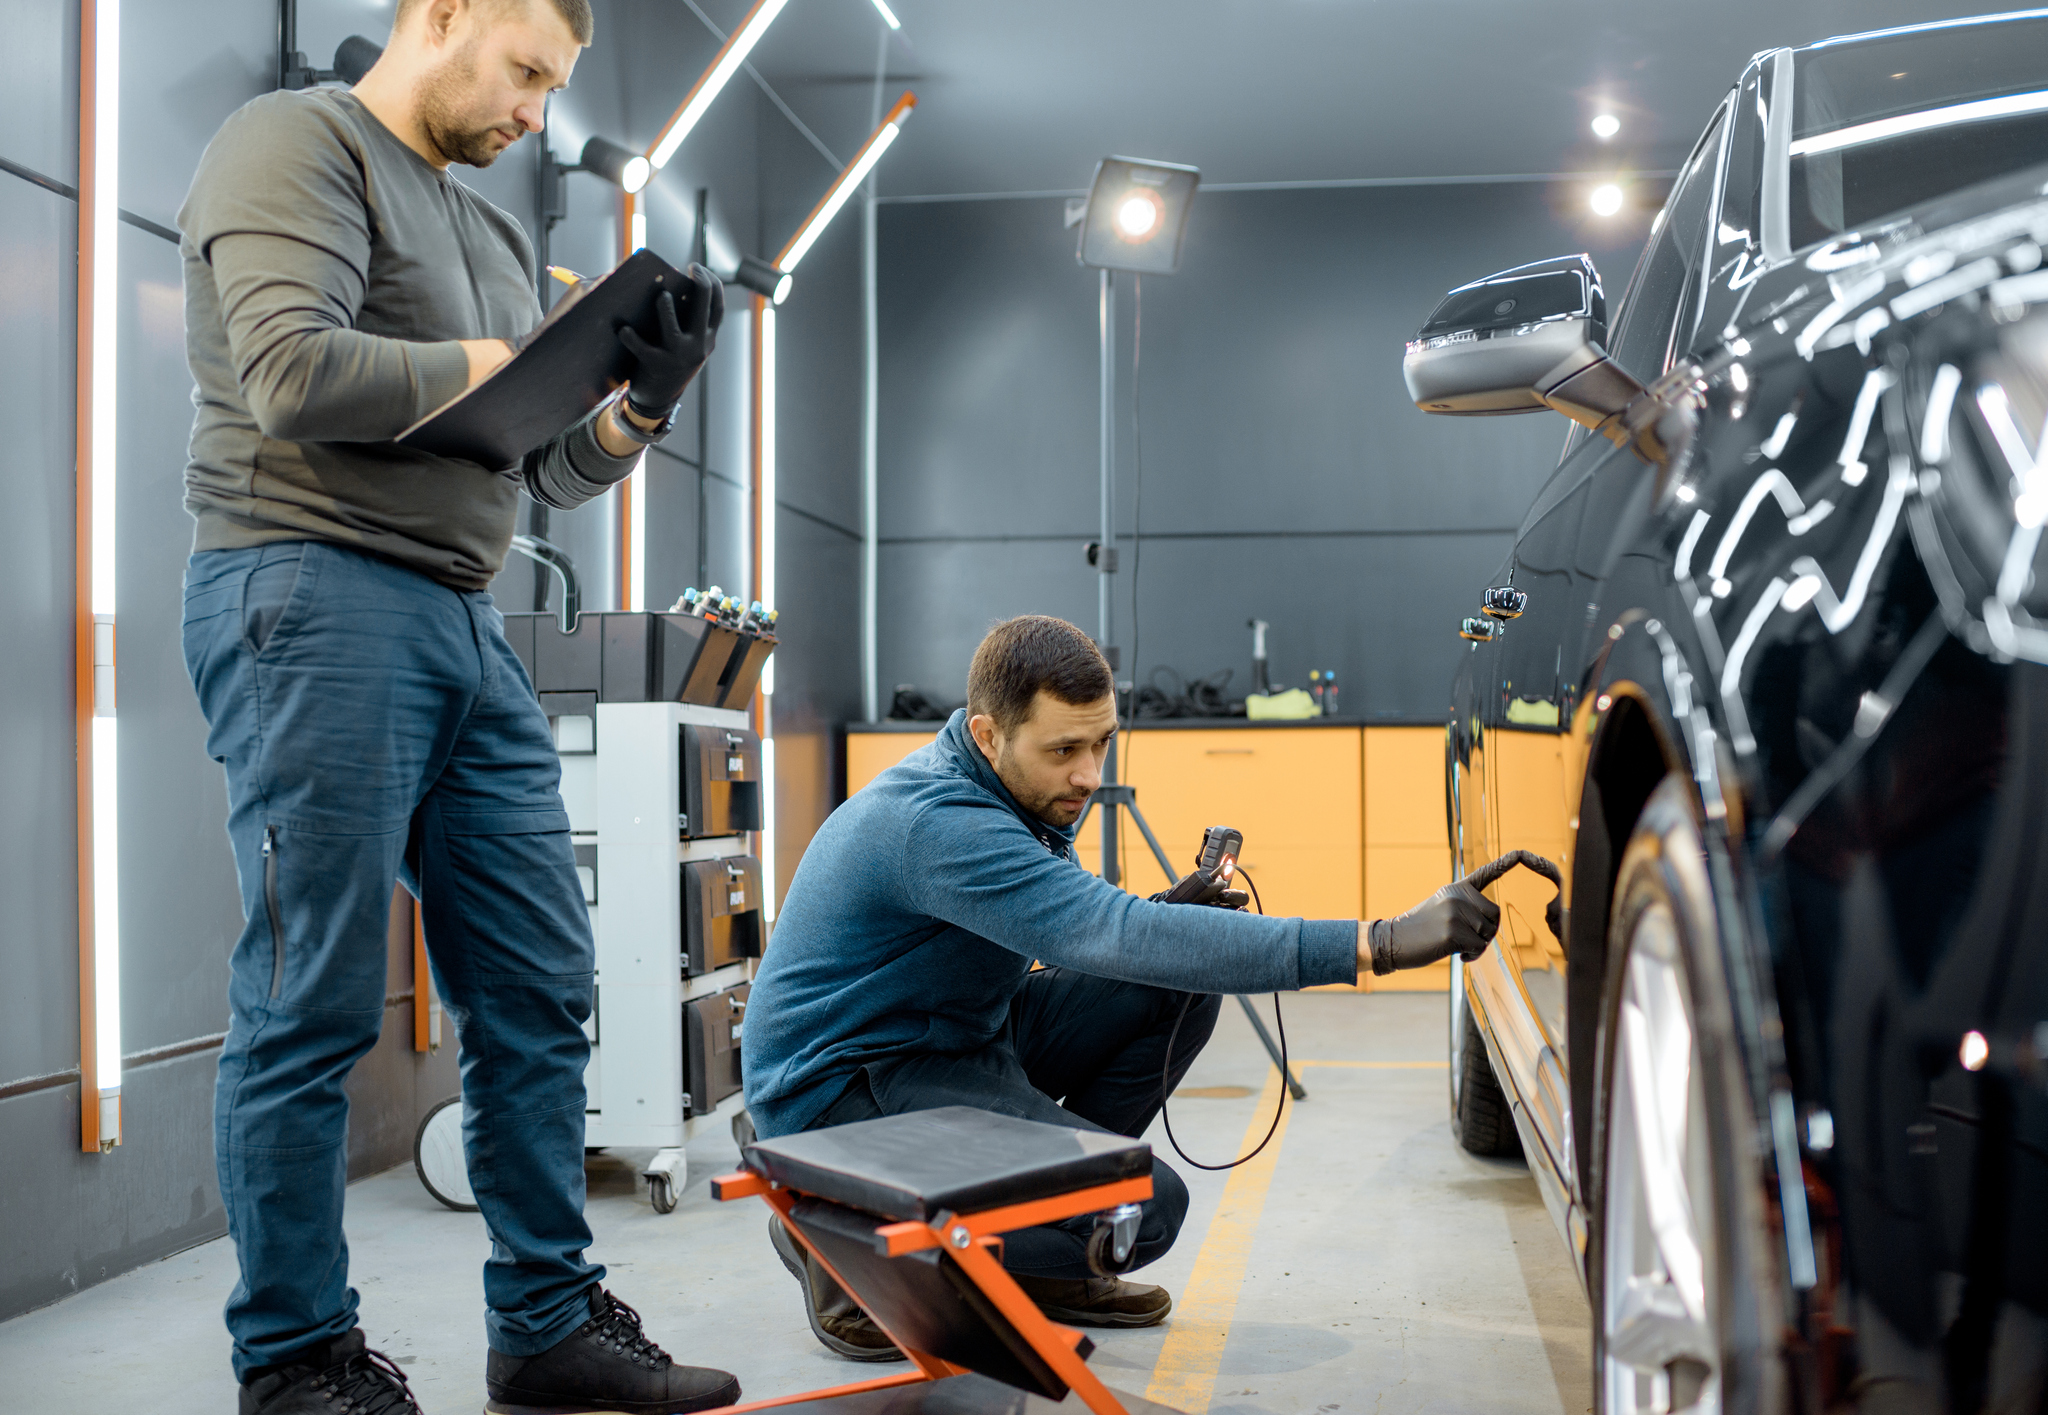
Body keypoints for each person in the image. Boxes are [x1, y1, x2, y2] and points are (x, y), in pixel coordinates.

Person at [175, 0, 739, 1411]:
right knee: (309, 1000)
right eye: (529, 70)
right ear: (444, 18)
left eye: (556, 86)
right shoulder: (294, 144)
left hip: (462, 615)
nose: (536, 112)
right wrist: (502, 368)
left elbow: (531, 474)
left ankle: (544, 1323)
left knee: (545, 980)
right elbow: (290, 371)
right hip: (306, 583)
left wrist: (635, 406)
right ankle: (295, 1356)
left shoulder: (488, 237)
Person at [743, 615, 1543, 1360]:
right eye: (1064, 751)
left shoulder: (1004, 782)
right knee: (1144, 1208)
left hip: (951, 1035)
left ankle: (1049, 1247)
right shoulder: (938, 824)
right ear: (989, 734)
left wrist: (1163, 914)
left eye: (1102, 744)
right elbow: (1110, 932)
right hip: (843, 1091)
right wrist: (1381, 942)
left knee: (1174, 986)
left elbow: (1097, 933)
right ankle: (835, 1231)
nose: (1088, 774)